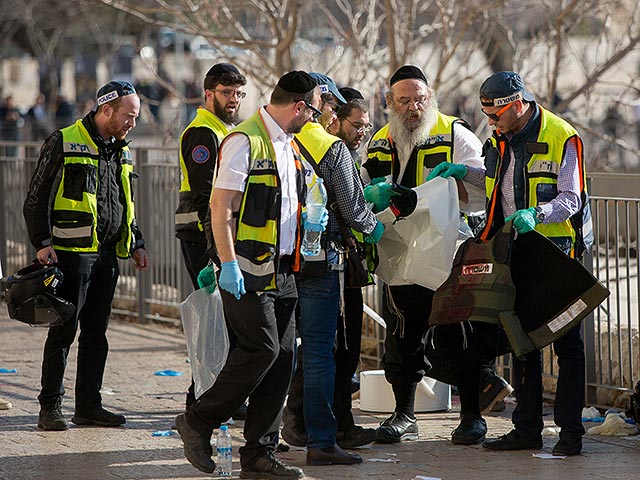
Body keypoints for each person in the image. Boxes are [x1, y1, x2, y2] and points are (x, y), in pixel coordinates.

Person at [429, 71, 589, 456]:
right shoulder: (499, 139)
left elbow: (572, 197)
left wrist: (538, 213)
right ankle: (527, 430)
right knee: (523, 345)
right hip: (511, 253)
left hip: (555, 253)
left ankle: (570, 434)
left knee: (567, 346)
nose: (491, 122)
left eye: (496, 114)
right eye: (486, 114)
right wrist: (463, 173)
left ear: (517, 105)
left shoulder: (561, 135)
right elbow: (496, 179)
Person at [174, 71, 321, 479]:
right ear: (299, 106)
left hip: (285, 267)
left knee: (283, 358)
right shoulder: (245, 139)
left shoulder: (287, 144)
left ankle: (259, 452)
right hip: (248, 269)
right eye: (312, 111)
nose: (314, 119)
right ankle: (199, 421)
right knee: (262, 349)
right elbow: (219, 208)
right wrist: (226, 263)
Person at [361, 65, 510, 444]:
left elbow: (485, 184)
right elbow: (361, 190)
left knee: (457, 331)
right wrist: (371, 195)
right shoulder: (380, 141)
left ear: (431, 98)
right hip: (399, 253)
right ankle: (404, 413)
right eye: (405, 100)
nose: (414, 107)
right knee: (403, 333)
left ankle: (472, 416)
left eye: (420, 99)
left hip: (449, 251)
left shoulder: (453, 132)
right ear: (390, 103)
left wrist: (459, 177)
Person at [23, 81, 149, 431]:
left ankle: (89, 405)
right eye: (128, 116)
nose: (132, 124)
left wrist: (137, 242)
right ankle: (50, 407)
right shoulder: (63, 140)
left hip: (108, 254)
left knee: (97, 332)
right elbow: (36, 198)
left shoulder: (120, 148)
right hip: (71, 254)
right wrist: (41, 241)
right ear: (106, 109)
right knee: (63, 329)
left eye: (136, 118)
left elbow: (125, 201)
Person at [282, 74, 382, 466]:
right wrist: (380, 228)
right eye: (331, 106)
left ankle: (268, 434)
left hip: (278, 258)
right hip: (322, 260)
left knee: (280, 350)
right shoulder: (331, 148)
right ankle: (321, 441)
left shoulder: (276, 140)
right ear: (317, 103)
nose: (333, 114)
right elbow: (357, 214)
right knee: (322, 352)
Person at [175, 62, 247, 409]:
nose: (233, 99)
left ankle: (213, 396)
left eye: (237, 93)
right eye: (226, 93)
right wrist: (216, 252)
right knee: (215, 320)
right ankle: (201, 398)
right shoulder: (203, 132)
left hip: (209, 236)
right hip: (201, 236)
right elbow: (208, 198)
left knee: (221, 319)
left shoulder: (221, 130)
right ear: (208, 94)